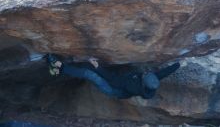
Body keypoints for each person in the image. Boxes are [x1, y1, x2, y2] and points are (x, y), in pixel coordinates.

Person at [47, 54, 180, 99]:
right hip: (121, 81)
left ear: (143, 82)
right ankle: (57, 72)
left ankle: (58, 66)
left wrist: (97, 66)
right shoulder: (153, 81)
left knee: (92, 75)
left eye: (145, 75)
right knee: (87, 68)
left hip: (113, 89)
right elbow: (164, 72)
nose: (145, 73)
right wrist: (178, 64)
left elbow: (112, 79)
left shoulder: (133, 86)